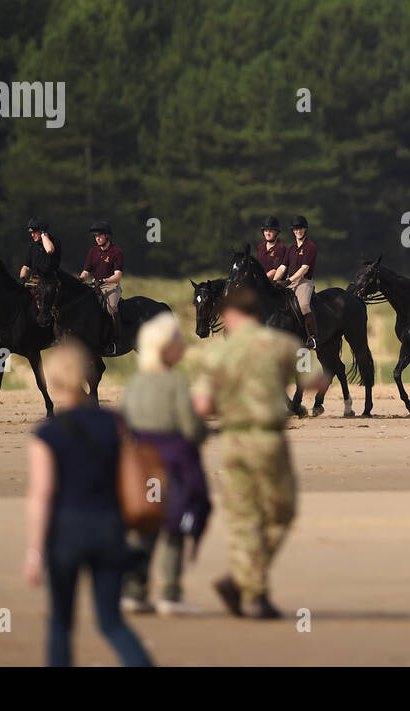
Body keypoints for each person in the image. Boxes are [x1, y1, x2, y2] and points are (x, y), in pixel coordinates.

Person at [193, 285, 324, 619]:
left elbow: (203, 404)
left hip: (233, 441)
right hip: (269, 441)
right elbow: (317, 380)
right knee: (281, 513)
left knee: (242, 520)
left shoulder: (218, 355)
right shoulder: (281, 344)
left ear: (232, 315)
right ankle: (251, 591)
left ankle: (244, 584)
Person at [24, 340, 153, 666]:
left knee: (61, 624)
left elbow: (41, 496)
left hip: (65, 535)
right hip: (110, 530)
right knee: (111, 622)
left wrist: (34, 553)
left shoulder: (46, 433)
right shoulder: (116, 423)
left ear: (52, 380)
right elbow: (130, 477)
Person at [120, 312, 210, 617]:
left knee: (145, 526)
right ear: (165, 347)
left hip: (142, 465)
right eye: (178, 341)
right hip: (174, 464)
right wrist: (203, 431)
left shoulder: (134, 383)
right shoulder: (175, 383)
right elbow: (190, 428)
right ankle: (170, 594)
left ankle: (134, 591)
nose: (183, 345)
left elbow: (126, 425)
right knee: (173, 527)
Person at [79, 220, 125, 348]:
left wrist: (104, 280)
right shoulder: (93, 251)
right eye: (95, 236)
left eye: (99, 235)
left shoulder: (117, 252)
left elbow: (118, 276)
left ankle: (117, 338)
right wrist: (80, 280)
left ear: (107, 236)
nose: (97, 238)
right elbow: (86, 272)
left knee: (112, 308)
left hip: (111, 286)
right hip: (94, 285)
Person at [284, 215, 318, 350]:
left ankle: (312, 337)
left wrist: (288, 280)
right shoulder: (290, 248)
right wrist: (275, 282)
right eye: (296, 229)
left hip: (304, 282)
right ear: (293, 231)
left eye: (301, 228)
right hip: (289, 281)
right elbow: (282, 267)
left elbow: (304, 269)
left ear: (305, 229)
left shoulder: (310, 247)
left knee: (303, 305)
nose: (298, 231)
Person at [20, 217, 63, 323]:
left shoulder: (54, 242)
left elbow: (49, 250)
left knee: (45, 303)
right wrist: (22, 278)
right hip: (35, 280)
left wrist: (44, 235)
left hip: (50, 280)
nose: (32, 235)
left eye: (34, 232)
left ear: (41, 231)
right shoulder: (32, 246)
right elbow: (26, 266)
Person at [256, 216, 288, 283]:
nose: (267, 233)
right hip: (261, 282)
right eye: (266, 231)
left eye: (270, 231)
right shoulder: (260, 247)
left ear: (276, 232)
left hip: (275, 284)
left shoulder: (281, 248)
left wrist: (259, 280)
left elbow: (275, 271)